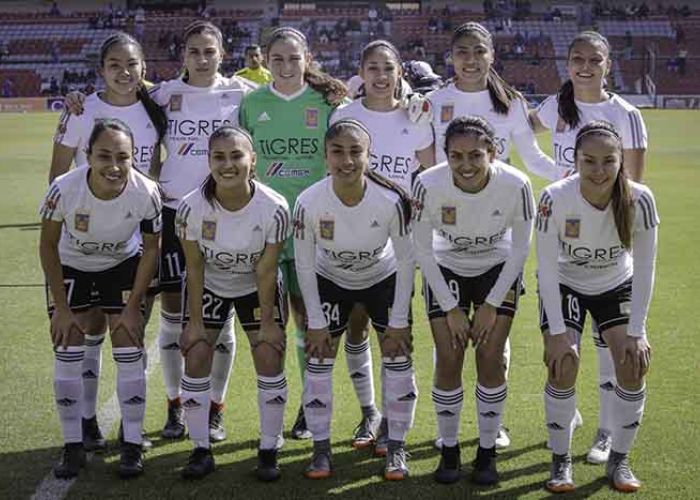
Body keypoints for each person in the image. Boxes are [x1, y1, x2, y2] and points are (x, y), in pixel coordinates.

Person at [62, 21, 254, 444]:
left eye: (210, 51)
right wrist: (77, 99)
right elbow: (123, 101)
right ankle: (175, 405)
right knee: (170, 315)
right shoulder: (163, 96)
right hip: (170, 215)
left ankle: (215, 407)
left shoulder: (243, 94)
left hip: (225, 216)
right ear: (182, 55)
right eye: (194, 51)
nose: (202, 58)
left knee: (218, 322)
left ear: (223, 53)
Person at [427, 20, 559, 451]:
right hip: (446, 233)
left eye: (477, 51)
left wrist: (573, 176)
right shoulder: (433, 100)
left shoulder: (511, 103)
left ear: (491, 56)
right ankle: (449, 424)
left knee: (492, 344)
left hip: (496, 231)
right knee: (446, 347)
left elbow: (534, 158)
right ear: (451, 56)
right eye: (461, 51)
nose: (469, 59)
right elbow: (425, 163)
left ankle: (492, 423)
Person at [530, 31, 648, 464]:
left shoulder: (626, 113)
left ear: (607, 64)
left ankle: (605, 431)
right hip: (561, 232)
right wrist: (551, 174)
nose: (584, 66)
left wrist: (618, 238)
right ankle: (569, 416)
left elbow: (633, 187)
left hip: (607, 242)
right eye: (576, 58)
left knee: (608, 345)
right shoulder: (556, 105)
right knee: (562, 348)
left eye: (593, 60)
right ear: (567, 63)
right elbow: (521, 133)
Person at [50, 32, 168, 453]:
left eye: (131, 64)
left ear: (143, 69)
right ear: (101, 70)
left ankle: (130, 434)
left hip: (132, 243)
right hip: (81, 242)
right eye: (114, 64)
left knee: (127, 327)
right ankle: (84, 422)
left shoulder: (156, 108)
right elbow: (58, 176)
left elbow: (152, 172)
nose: (123, 72)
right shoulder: (84, 111)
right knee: (89, 329)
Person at [536, 121, 657, 493]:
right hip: (565, 284)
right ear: (575, 160)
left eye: (609, 161)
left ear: (622, 161)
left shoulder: (640, 198)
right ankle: (561, 461)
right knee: (563, 364)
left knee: (633, 366)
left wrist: (636, 332)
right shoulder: (554, 197)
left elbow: (645, 267)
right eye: (589, 161)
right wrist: (557, 335)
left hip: (614, 283)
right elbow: (545, 268)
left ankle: (619, 459)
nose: (599, 170)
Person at [239, 26, 347, 440]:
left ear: (307, 60)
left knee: (308, 321)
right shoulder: (251, 104)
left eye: (294, 58)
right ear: (265, 60)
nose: (286, 66)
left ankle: (309, 404)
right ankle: (273, 408)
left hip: (312, 230)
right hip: (264, 229)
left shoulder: (329, 103)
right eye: (278, 58)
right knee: (268, 323)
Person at [413, 116, 534, 485]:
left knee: (489, 354)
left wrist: (491, 304)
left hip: (497, 265)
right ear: (446, 154)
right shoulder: (426, 183)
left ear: (493, 153)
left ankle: (486, 453)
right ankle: (449, 451)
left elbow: (520, 248)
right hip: (446, 264)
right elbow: (421, 247)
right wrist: (450, 307)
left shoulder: (517, 184)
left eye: (475, 155)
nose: (465, 165)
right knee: (449, 355)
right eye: (456, 156)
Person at [293, 119, 416, 481]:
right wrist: (315, 322)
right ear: (325, 156)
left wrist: (398, 319)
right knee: (318, 358)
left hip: (383, 277)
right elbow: (303, 262)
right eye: (337, 152)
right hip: (330, 279)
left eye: (355, 151)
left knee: (397, 353)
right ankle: (321, 450)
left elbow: (407, 259)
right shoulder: (308, 201)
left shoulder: (391, 200)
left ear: (369, 155)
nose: (346, 160)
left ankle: (395, 445)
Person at [39, 119, 161, 479]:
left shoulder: (146, 191)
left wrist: (132, 306)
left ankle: (132, 445)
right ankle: (73, 446)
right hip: (72, 265)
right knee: (68, 345)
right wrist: (61, 309)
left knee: (127, 342)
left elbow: (152, 248)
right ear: (88, 155)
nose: (113, 165)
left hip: (121, 265)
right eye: (104, 155)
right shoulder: (63, 189)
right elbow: (47, 245)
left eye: (122, 156)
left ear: (132, 156)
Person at [330, 39, 433, 454]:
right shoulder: (344, 116)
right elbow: (334, 168)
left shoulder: (416, 116)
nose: (379, 75)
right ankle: (370, 410)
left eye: (387, 68)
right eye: (371, 67)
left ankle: (393, 416)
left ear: (399, 73)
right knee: (355, 324)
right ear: (361, 71)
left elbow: (430, 173)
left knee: (394, 326)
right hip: (351, 235)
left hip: (399, 240)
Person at [175, 126, 290, 480]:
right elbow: (193, 267)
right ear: (208, 161)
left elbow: (268, 269)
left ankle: (269, 448)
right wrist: (194, 322)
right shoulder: (190, 207)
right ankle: (200, 449)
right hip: (210, 284)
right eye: (219, 157)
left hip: (257, 286)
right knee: (195, 353)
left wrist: (268, 322)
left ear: (252, 160)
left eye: (236, 155)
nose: (228, 164)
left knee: (268, 353)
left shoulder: (275, 207)